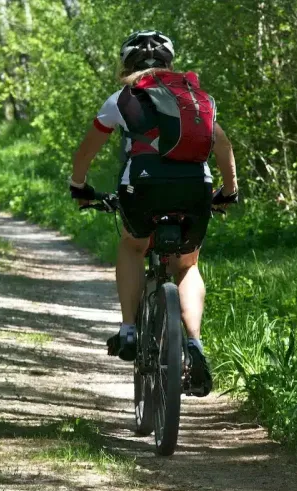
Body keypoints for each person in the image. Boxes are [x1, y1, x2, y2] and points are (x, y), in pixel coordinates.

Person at [68, 30, 239, 396]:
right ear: (169, 63)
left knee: (133, 246)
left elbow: (86, 152)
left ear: (126, 64)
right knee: (187, 265)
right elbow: (223, 144)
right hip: (195, 188)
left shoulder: (122, 99)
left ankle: (129, 330)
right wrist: (229, 192)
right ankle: (194, 343)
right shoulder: (194, 97)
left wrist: (79, 187)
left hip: (142, 188)